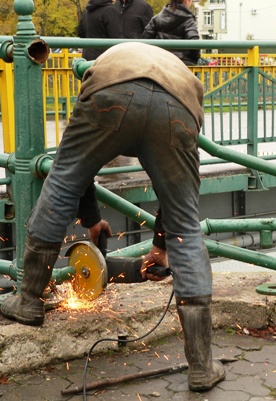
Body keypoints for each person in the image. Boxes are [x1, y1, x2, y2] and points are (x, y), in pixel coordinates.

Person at [0, 42, 225, 392]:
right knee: (186, 225)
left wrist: (89, 218)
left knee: (60, 182)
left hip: (110, 91)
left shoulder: (109, 61)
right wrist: (161, 244)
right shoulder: (187, 80)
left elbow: (75, 171)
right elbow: (179, 197)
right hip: (177, 107)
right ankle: (200, 366)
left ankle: (29, 302)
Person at [142, 0, 200, 66]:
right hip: (181, 65)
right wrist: (192, 61)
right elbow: (194, 44)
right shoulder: (188, 21)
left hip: (160, 63)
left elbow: (146, 38)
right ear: (187, 1)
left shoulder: (157, 18)